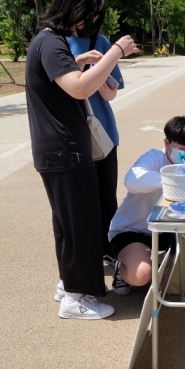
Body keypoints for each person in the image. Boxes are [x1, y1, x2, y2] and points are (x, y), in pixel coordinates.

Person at [25, 0, 139, 320]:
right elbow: (77, 89)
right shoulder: (51, 42)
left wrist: (83, 63)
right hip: (64, 148)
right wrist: (116, 50)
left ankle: (68, 283)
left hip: (61, 147)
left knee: (69, 223)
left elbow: (70, 82)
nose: (88, 22)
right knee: (81, 224)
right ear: (70, 7)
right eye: (85, 13)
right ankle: (77, 297)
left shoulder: (48, 42)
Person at [108, 116, 185, 295]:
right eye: (182, 148)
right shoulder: (154, 157)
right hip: (132, 230)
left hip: (164, 228)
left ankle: (158, 259)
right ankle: (122, 267)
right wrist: (171, 177)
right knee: (141, 275)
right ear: (167, 143)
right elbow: (131, 181)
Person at [66, 29, 125, 266]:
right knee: (80, 202)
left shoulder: (99, 40)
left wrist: (98, 78)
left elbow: (111, 94)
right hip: (72, 134)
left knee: (106, 197)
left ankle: (109, 249)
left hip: (103, 133)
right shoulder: (57, 42)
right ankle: (86, 257)